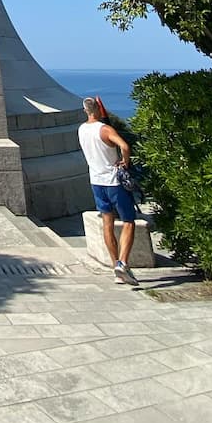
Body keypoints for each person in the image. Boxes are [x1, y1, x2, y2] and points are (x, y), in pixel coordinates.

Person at [78, 96, 139, 285]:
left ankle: (116, 267)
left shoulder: (82, 130)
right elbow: (124, 146)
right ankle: (123, 263)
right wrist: (125, 161)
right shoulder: (105, 129)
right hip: (114, 181)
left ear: (85, 111)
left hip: (96, 181)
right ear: (99, 109)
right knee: (128, 221)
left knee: (107, 223)